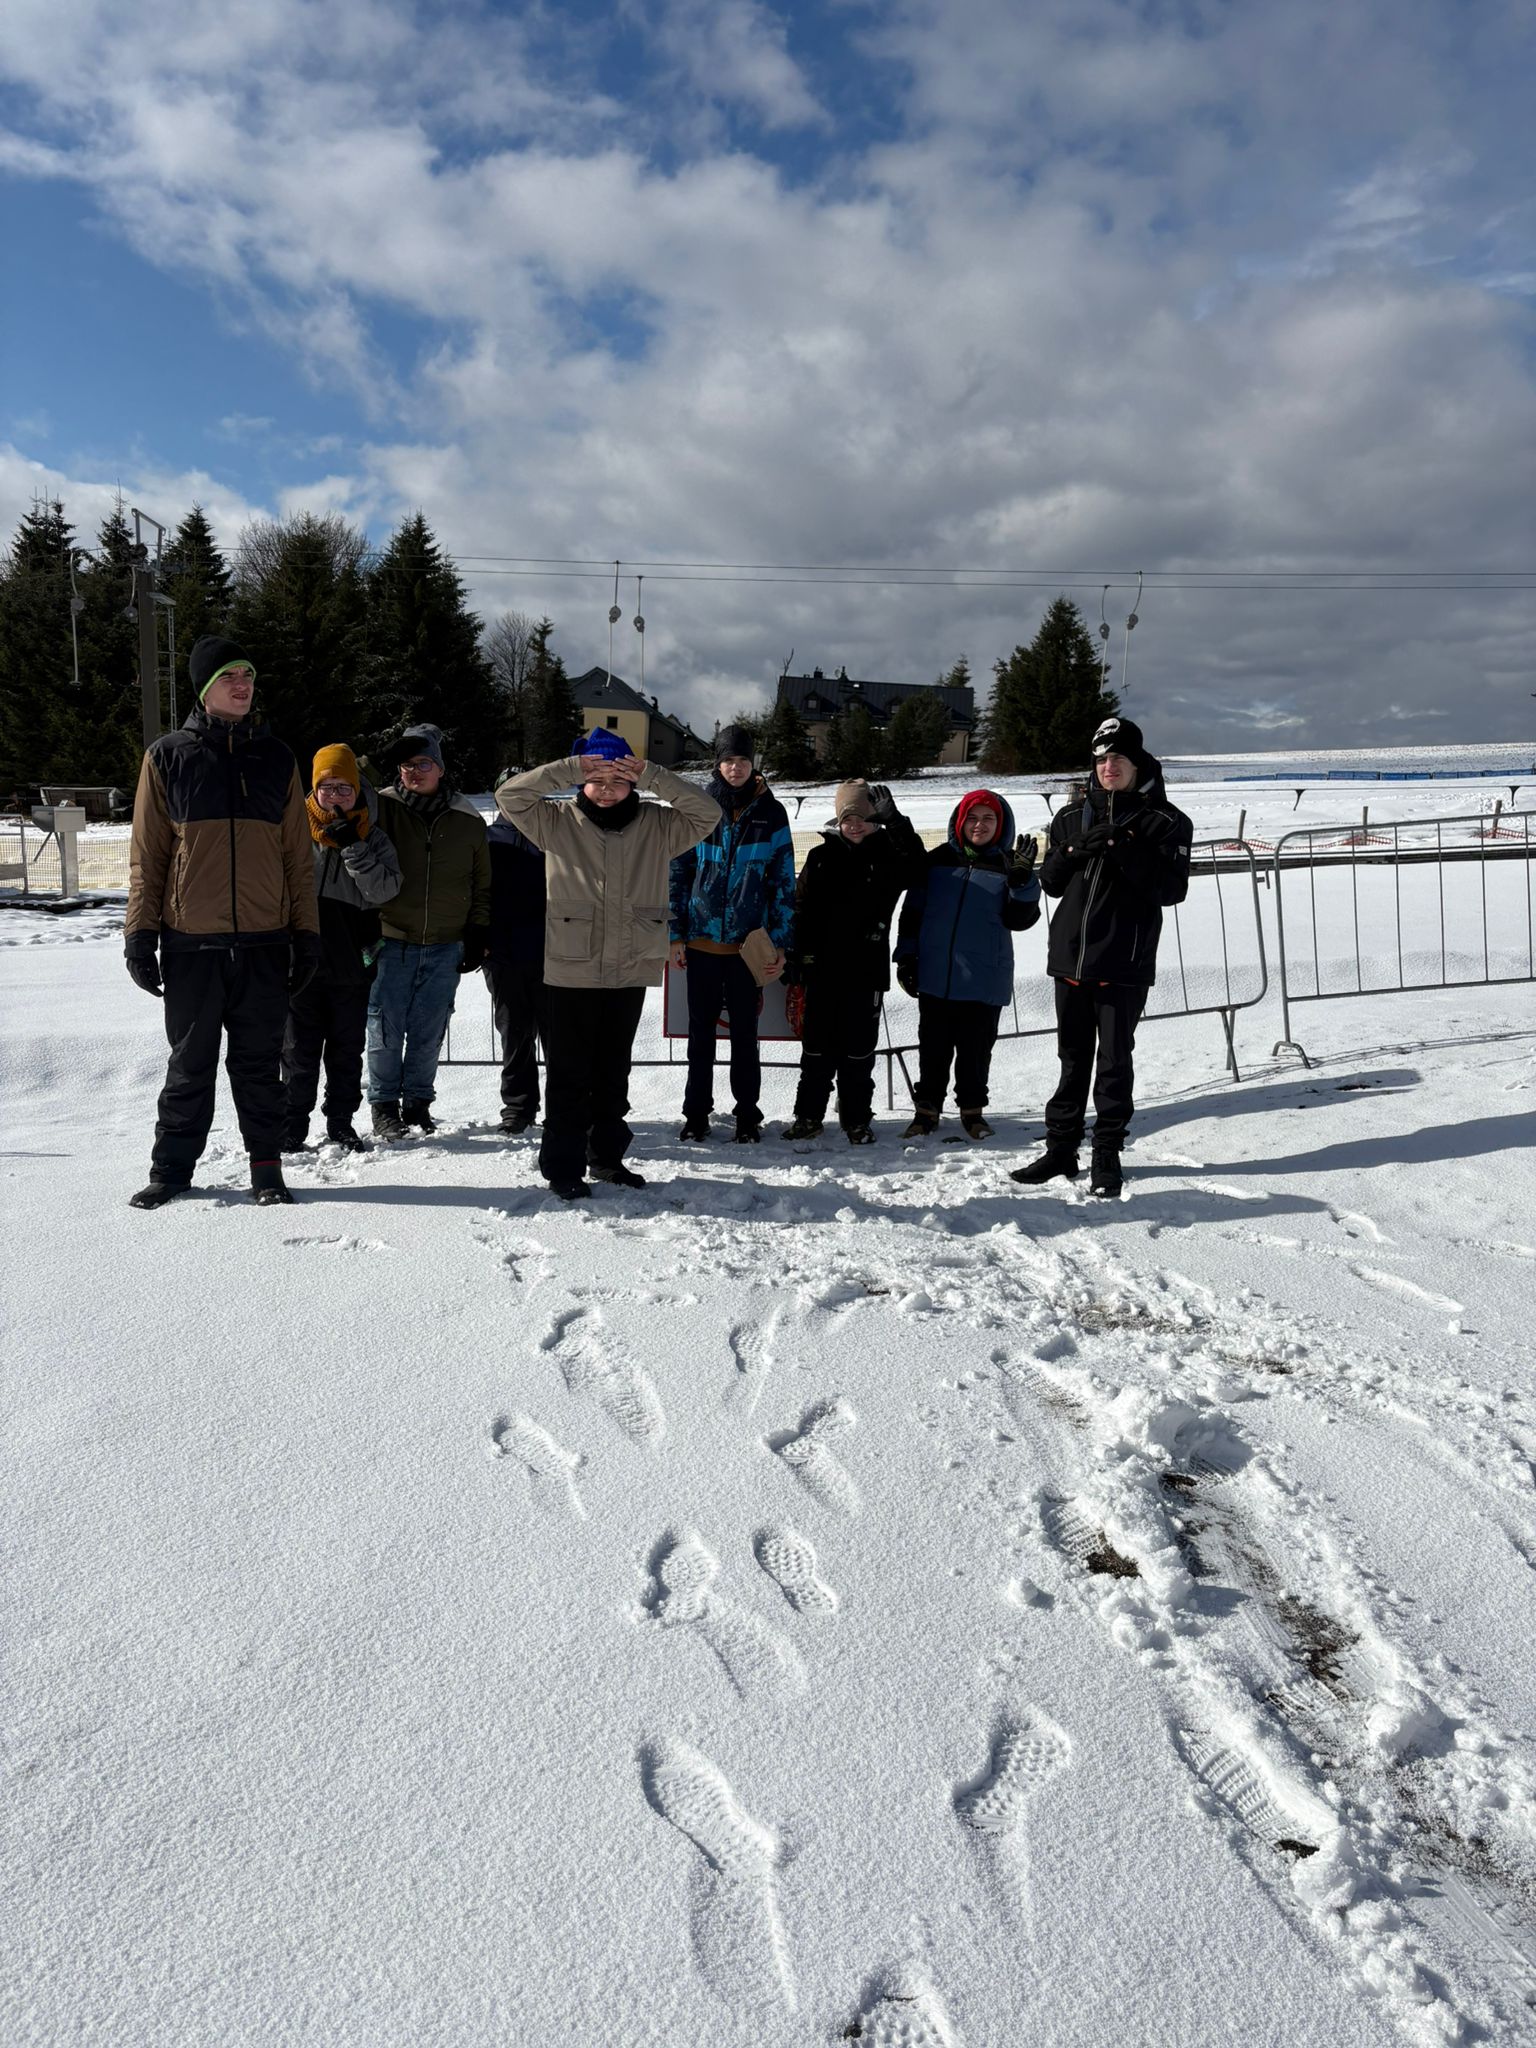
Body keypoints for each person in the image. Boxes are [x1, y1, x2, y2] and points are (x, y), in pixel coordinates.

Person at [123, 635, 320, 1208]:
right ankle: (172, 1171)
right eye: (230, 675)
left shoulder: (277, 758)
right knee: (189, 1065)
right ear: (205, 687)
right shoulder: (167, 756)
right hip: (191, 944)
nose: (243, 684)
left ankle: (266, 1170)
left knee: (260, 1067)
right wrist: (140, 934)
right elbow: (148, 857)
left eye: (249, 674)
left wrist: (306, 935)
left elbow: (297, 861)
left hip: (264, 942)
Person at [496, 730, 720, 1199]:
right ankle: (563, 1167)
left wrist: (653, 773)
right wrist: (573, 766)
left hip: (629, 966)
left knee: (612, 1073)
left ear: (631, 781)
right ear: (582, 781)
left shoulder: (659, 825)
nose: (606, 787)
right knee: (568, 1073)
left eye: (616, 777)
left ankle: (607, 1159)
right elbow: (509, 795)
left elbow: (708, 812)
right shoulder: (555, 821)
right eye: (597, 778)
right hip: (570, 966)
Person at [1011, 715, 1193, 1198]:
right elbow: (1049, 881)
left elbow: (1172, 889)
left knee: (1113, 1061)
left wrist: (1125, 847)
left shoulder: (1167, 821)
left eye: (1118, 758)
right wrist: (1071, 849)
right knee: (1072, 1058)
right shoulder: (1071, 815)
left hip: (1123, 961)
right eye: (1101, 759)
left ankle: (1106, 1153)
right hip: (1069, 959)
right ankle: (1060, 1148)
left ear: (1137, 763)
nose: (1108, 767)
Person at [668, 724, 795, 1143]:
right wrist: (675, 933)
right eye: (727, 760)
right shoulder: (699, 808)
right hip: (702, 943)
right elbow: (679, 871)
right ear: (717, 764)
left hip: (747, 947)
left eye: (741, 760)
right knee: (700, 1036)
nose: (734, 768)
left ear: (752, 763)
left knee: (745, 1037)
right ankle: (696, 1116)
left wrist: (778, 938)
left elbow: (782, 879)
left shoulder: (771, 813)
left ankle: (747, 1116)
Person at [783, 779, 926, 1145]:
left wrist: (896, 822)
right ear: (838, 819)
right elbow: (800, 908)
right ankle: (808, 1116)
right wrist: (797, 955)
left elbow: (918, 869)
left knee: (859, 1052)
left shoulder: (889, 855)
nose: (855, 824)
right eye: (848, 817)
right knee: (816, 1050)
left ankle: (857, 1119)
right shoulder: (820, 856)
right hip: (821, 970)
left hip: (866, 971)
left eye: (863, 816)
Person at [893, 789, 1041, 1139]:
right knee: (933, 1050)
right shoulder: (937, 861)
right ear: (960, 822)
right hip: (936, 975)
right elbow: (912, 912)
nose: (979, 825)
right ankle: (926, 1111)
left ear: (1000, 825)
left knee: (975, 1054)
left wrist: (1023, 884)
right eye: (972, 818)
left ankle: (973, 1114)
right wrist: (906, 957)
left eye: (988, 819)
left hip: (984, 979)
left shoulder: (1008, 866)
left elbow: (1021, 920)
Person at [368, 723, 491, 1141]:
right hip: (391, 939)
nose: (414, 772)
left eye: (423, 763)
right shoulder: (379, 809)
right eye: (406, 765)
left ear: (440, 767)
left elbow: (481, 882)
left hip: (445, 944)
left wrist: (477, 930)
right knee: (384, 1030)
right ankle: (384, 1107)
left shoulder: (466, 818)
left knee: (429, 1030)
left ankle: (418, 1104)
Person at [280, 743, 402, 1154]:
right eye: (326, 786)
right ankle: (292, 1123)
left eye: (343, 787)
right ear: (313, 790)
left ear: (357, 789)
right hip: (300, 961)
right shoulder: (291, 830)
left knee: (347, 1049)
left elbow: (385, 889)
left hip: (353, 959)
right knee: (298, 1050)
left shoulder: (374, 836)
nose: (335, 795)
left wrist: (353, 846)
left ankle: (341, 1121)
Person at [485, 778, 548, 1135]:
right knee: (514, 1033)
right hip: (503, 953)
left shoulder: (555, 836)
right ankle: (518, 1105)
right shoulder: (487, 840)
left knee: (559, 1037)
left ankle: (564, 1107)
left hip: (552, 951)